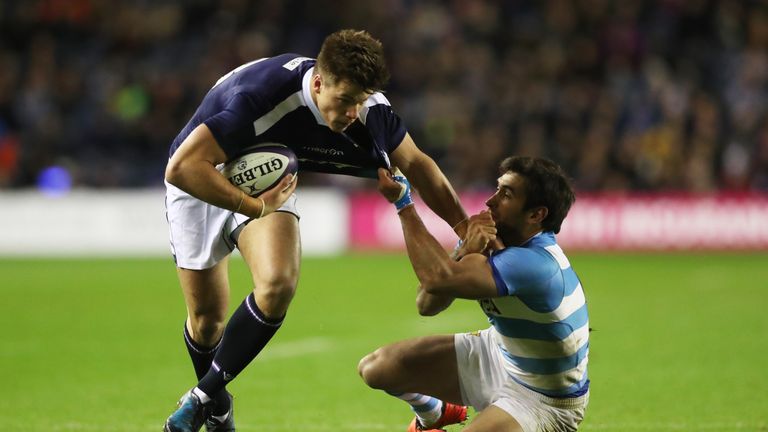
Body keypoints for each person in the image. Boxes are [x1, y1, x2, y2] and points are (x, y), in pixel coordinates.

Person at [162, 29, 468, 432]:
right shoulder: (260, 98)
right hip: (204, 174)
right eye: (344, 101)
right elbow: (182, 168)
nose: (352, 113)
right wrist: (254, 206)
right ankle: (218, 409)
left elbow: (418, 164)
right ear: (319, 83)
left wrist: (465, 227)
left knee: (277, 285)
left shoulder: (370, 112)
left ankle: (202, 396)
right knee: (206, 321)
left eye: (359, 102)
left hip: (268, 175)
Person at [358, 156, 589, 432]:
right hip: (500, 354)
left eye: (506, 194)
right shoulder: (488, 240)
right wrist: (465, 250)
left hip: (544, 400)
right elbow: (427, 304)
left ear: (536, 214)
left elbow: (435, 280)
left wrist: (404, 204)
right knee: (375, 368)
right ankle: (434, 413)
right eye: (497, 189)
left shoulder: (536, 264)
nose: (490, 201)